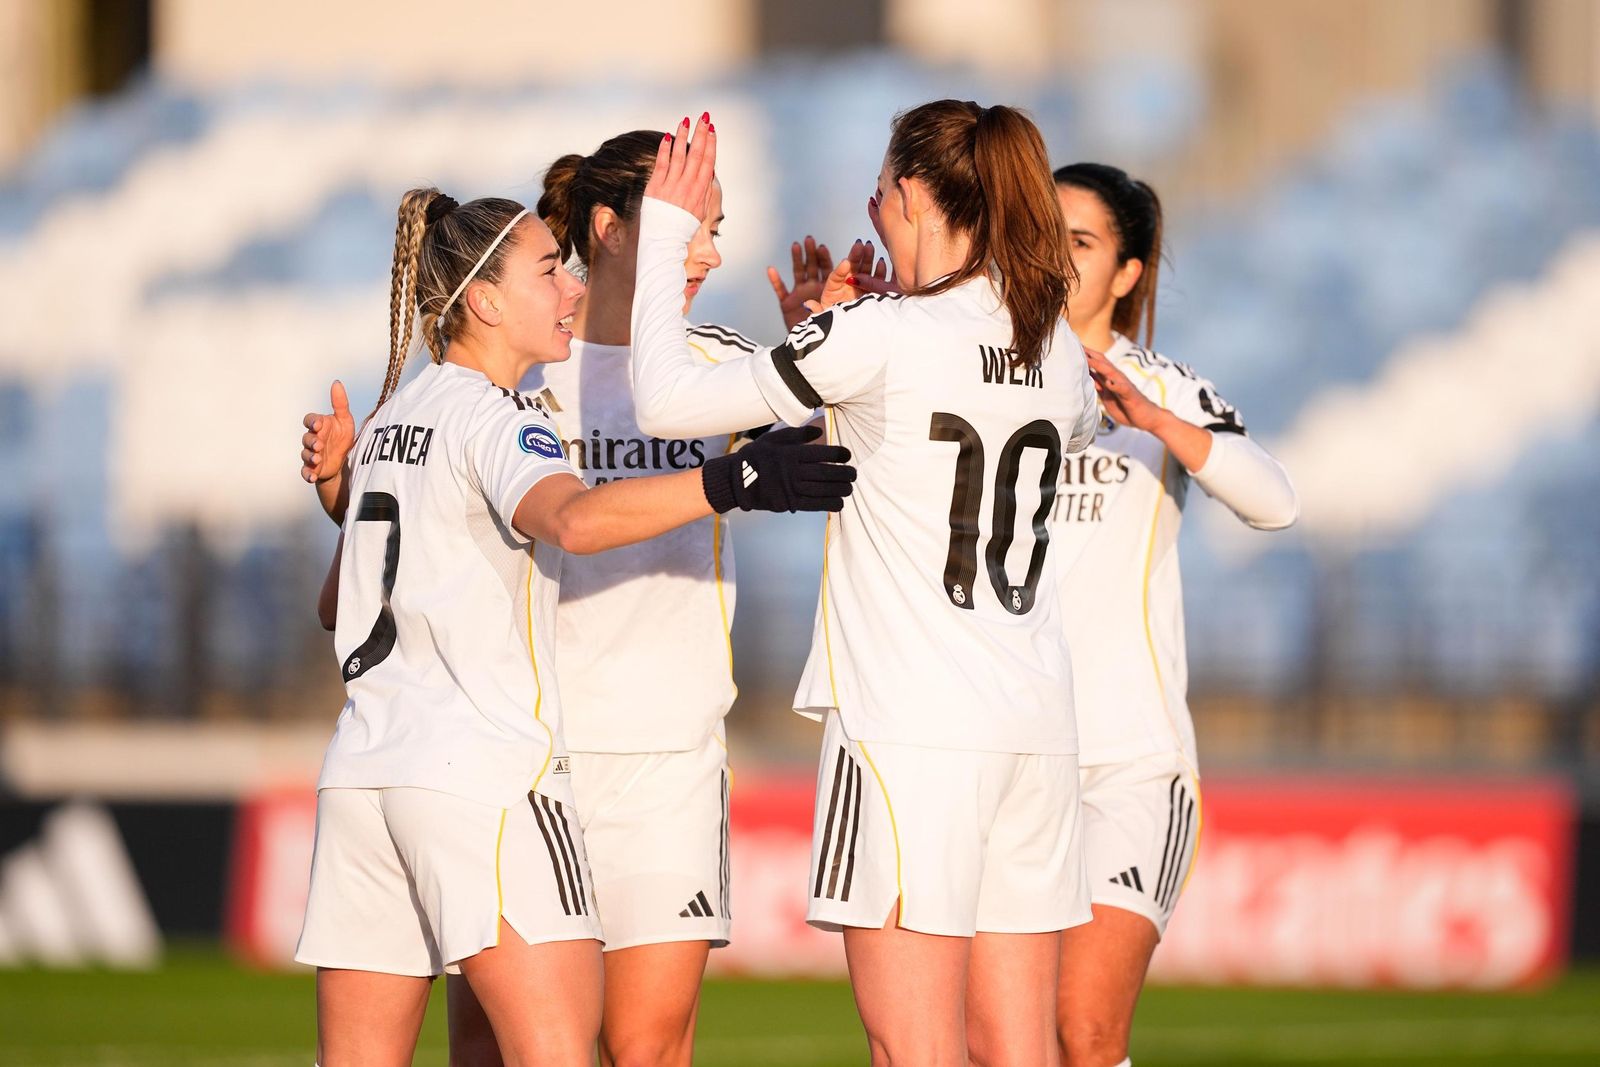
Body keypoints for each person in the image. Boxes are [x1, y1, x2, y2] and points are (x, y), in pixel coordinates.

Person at [299, 126, 874, 1067]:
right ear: (607, 229)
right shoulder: (517, 383)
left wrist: (830, 341)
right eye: (690, 225)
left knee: (643, 1048)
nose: (711, 253)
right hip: (524, 755)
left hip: (659, 758)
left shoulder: (715, 365)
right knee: (506, 1047)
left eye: (715, 229)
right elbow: (545, 521)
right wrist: (341, 494)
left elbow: (856, 437)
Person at [628, 106, 1100, 1067]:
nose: (872, 208)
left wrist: (665, 237)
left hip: (907, 726)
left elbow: (665, 404)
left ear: (918, 198)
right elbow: (974, 433)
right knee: (1021, 1049)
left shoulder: (881, 331)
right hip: (1036, 724)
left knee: (910, 1046)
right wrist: (848, 345)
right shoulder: (1052, 344)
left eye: (882, 190)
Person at [1049, 162, 1299, 1067]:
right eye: (1043, 229)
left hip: (1128, 761)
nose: (1052, 252)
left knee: (1085, 1028)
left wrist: (1155, 421)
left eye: (1081, 241)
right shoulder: (974, 381)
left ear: (1128, 273)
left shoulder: (1166, 386)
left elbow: (1275, 499)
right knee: (1003, 1035)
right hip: (1004, 752)